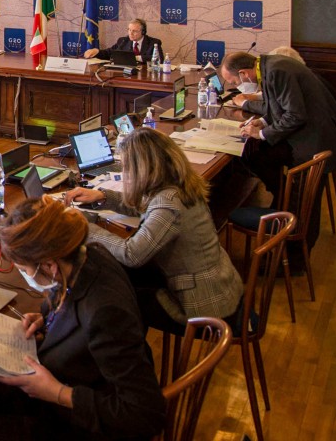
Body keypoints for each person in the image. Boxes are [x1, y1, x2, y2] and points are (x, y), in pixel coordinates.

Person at [0, 198, 164, 440]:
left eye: (24, 269)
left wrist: (58, 393)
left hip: (86, 423)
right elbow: (68, 300)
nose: (24, 275)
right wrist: (48, 317)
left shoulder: (105, 313)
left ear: (50, 265)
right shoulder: (87, 256)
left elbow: (145, 415)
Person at [63, 128, 243, 332]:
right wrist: (102, 197)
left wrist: (86, 227)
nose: (124, 171)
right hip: (218, 285)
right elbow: (148, 206)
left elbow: (132, 254)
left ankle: (132, 357)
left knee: (112, 299)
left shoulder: (169, 204)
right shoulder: (178, 184)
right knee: (120, 281)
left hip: (202, 305)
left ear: (143, 169)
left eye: (126, 166)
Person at [220, 51, 336, 263]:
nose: (236, 87)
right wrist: (263, 122)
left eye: (234, 82)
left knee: (305, 203)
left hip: (315, 142)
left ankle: (292, 260)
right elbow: (280, 107)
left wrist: (260, 134)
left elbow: (295, 115)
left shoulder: (276, 71)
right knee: (259, 154)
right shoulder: (270, 67)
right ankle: (280, 199)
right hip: (312, 137)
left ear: (243, 73)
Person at [82, 18, 162, 62]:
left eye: (134, 31)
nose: (131, 33)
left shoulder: (154, 43)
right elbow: (110, 53)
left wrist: (137, 58)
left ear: (143, 32)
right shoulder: (123, 41)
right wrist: (97, 51)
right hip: (126, 76)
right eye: (129, 30)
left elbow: (160, 59)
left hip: (146, 77)